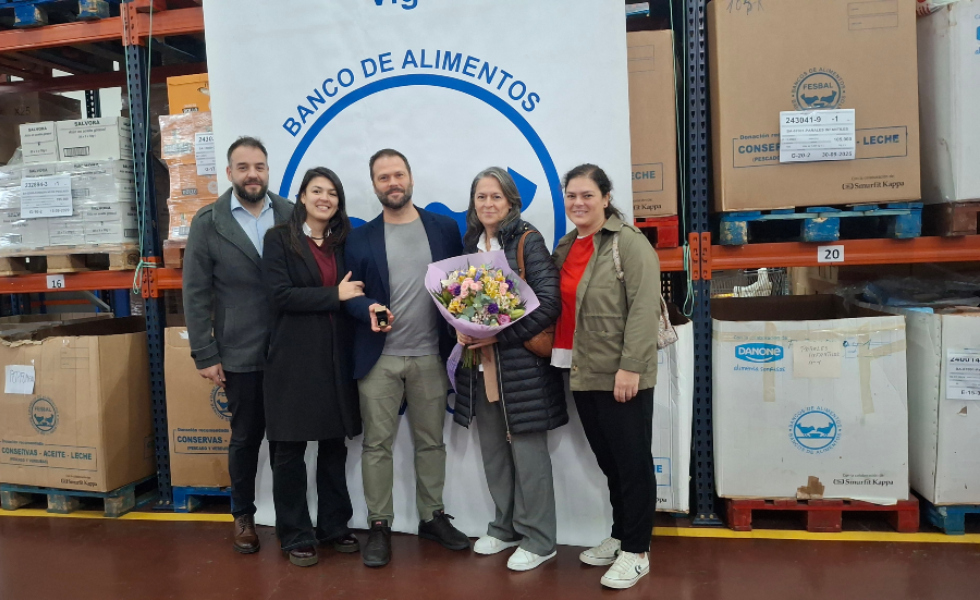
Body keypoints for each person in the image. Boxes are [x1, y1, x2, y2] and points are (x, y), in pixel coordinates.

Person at [344, 148, 469, 568]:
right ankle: (379, 525)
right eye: (383, 177)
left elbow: (461, 285)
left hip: (431, 356)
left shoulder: (444, 229)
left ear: (411, 177)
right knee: (377, 445)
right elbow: (350, 295)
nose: (392, 182)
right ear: (374, 185)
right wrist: (367, 308)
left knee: (431, 442)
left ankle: (432, 517)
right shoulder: (358, 237)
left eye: (398, 174)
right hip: (378, 359)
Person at [551, 164, 661, 590]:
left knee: (632, 463)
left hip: (621, 373)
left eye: (587, 195)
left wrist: (631, 367)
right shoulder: (566, 246)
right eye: (572, 196)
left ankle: (637, 551)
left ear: (606, 198)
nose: (578, 203)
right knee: (610, 461)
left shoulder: (628, 243)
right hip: (583, 370)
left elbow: (644, 307)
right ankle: (620, 535)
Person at [183, 137, 293, 554]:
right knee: (245, 438)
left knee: (287, 440)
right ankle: (243, 516)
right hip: (238, 349)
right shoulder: (208, 222)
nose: (252, 175)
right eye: (243, 167)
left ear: (268, 171)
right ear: (229, 173)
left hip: (287, 348)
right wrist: (205, 353)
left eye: (259, 167)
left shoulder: (289, 213)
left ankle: (290, 520)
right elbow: (195, 293)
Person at [452, 167, 565, 572]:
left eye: (496, 197)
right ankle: (505, 527)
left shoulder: (528, 241)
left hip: (521, 368)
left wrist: (499, 337)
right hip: (479, 367)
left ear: (511, 202)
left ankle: (540, 539)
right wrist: (462, 327)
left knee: (529, 454)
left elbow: (549, 303)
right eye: (481, 197)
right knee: (494, 452)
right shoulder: (470, 243)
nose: (488, 204)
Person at [261, 167, 364, 567]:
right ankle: (295, 534)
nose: (325, 198)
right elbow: (280, 295)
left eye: (332, 192)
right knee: (289, 451)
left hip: (336, 357)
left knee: (333, 446)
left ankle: (334, 526)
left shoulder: (344, 241)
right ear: (302, 197)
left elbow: (358, 291)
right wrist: (334, 295)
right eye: (317, 190)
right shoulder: (278, 239)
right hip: (293, 359)